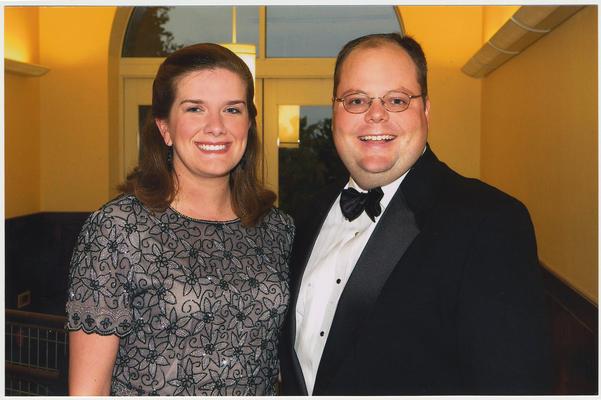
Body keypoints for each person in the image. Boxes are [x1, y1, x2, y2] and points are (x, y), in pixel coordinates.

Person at [279, 33, 551, 395]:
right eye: (356, 100)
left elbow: (513, 385)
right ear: (335, 112)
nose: (376, 115)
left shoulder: (491, 221)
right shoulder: (308, 212)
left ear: (425, 111)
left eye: (397, 99)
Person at [66, 43, 294, 396]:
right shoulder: (117, 229)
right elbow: (87, 392)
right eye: (195, 109)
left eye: (232, 109)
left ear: (249, 124)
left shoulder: (278, 229)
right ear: (165, 127)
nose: (216, 126)